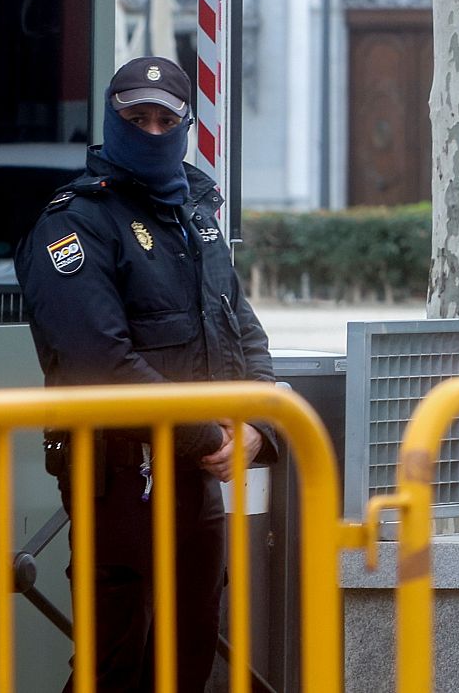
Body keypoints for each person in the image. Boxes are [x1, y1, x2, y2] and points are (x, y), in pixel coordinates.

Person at [15, 56, 279, 693]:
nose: (153, 132)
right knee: (118, 669)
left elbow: (241, 329)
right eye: (138, 118)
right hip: (119, 479)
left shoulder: (195, 214)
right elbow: (98, 365)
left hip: (195, 477)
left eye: (167, 120)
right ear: (113, 119)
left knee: (188, 663)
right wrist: (211, 434)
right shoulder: (74, 223)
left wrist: (259, 425)